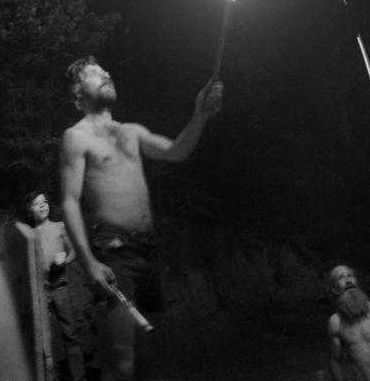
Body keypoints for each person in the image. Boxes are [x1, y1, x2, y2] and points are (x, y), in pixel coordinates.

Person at [59, 56, 223, 380]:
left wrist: (200, 114)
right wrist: (88, 261)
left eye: (106, 70)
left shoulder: (131, 131)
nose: (106, 74)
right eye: (95, 74)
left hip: (149, 251)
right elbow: (68, 202)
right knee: (120, 360)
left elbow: (176, 151)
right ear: (78, 96)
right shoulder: (75, 137)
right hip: (115, 253)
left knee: (149, 354)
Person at [17, 191, 87, 381]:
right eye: (36, 203)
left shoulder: (60, 227)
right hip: (39, 290)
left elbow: (73, 252)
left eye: (44, 202)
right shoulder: (27, 234)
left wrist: (64, 259)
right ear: (28, 211)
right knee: (43, 339)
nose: (42, 205)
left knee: (70, 334)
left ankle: (79, 377)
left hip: (60, 286)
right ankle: (49, 377)